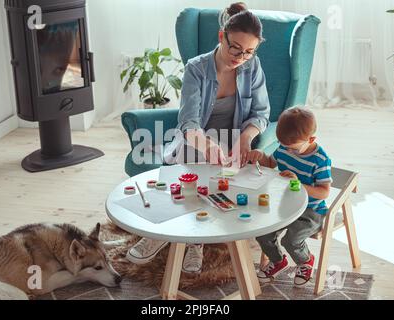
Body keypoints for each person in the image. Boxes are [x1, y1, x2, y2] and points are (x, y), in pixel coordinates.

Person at [127, 2, 271, 274]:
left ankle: (195, 240)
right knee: (192, 165)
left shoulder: (253, 67)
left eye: (249, 52)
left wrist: (245, 139)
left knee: (211, 174)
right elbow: (189, 122)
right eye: (235, 48)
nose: (241, 57)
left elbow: (261, 113)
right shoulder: (197, 68)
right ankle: (162, 233)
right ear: (221, 37)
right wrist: (206, 144)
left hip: (232, 140)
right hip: (196, 138)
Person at [247, 107, 332, 286]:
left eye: (292, 149)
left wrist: (299, 184)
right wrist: (260, 155)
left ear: (311, 139)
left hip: (312, 210)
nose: (287, 151)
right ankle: (279, 261)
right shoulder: (285, 148)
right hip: (286, 204)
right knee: (262, 233)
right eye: (283, 146)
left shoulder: (320, 160)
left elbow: (324, 191)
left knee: (291, 240)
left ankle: (305, 261)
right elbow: (271, 163)